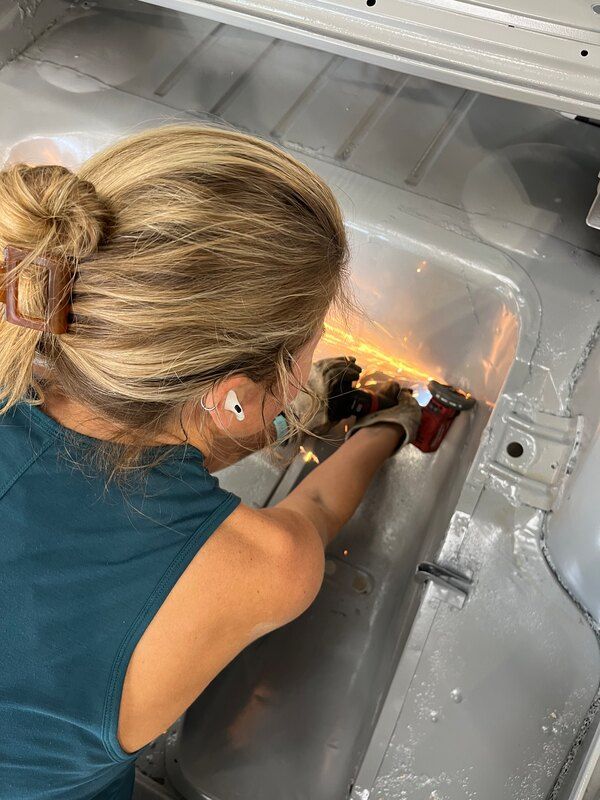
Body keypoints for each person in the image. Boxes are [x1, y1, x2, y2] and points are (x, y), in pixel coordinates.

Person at [0, 124, 421, 800]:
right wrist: (384, 428)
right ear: (230, 396)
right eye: (313, 344)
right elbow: (309, 510)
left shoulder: (25, 331)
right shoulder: (264, 566)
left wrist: (285, 411)